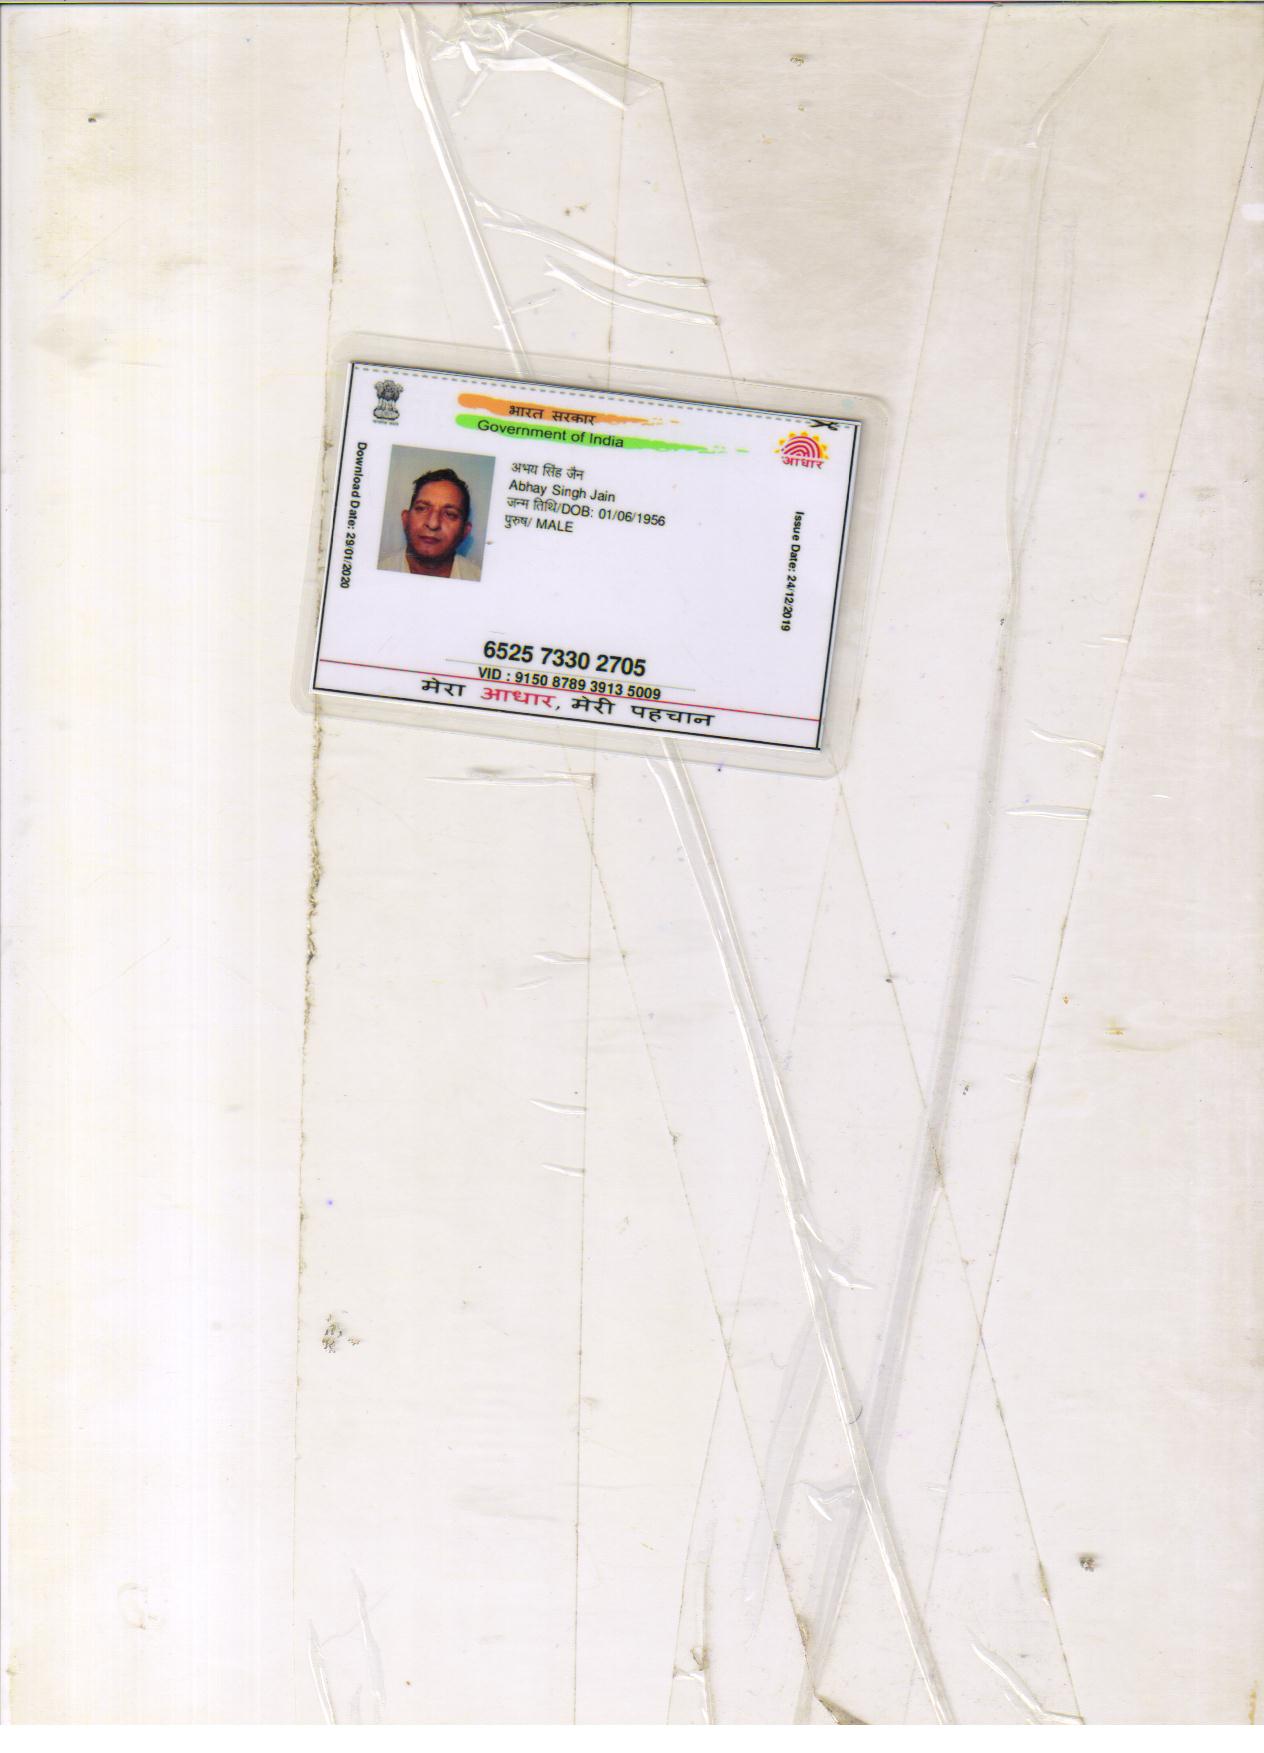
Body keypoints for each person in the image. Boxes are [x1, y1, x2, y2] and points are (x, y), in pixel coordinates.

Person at [380, 467, 481, 579]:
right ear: (405, 519)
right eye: (422, 508)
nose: (433, 524)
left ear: (465, 531)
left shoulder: (479, 579)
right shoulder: (376, 573)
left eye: (450, 514)